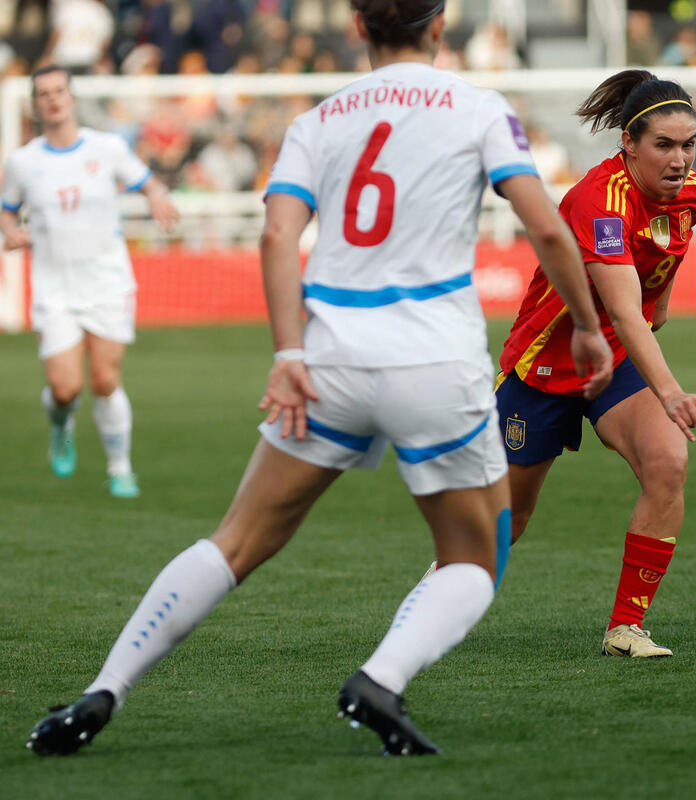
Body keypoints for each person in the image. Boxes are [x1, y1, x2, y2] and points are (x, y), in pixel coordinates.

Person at [26, 0, 612, 758]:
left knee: (235, 541)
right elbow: (544, 226)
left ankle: (104, 689)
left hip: (330, 357)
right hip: (433, 361)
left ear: (360, 29)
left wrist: (289, 355)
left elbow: (277, 232)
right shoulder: (478, 108)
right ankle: (380, 678)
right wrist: (590, 329)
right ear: (439, 28)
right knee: (476, 554)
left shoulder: (320, 118)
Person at [493, 69, 696, 657]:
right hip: (545, 367)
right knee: (506, 520)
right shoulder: (598, 198)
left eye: (688, 144)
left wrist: (654, 342)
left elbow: (653, 300)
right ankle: (444, 587)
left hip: (615, 360)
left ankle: (625, 627)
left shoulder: (693, 195)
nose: (679, 158)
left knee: (668, 461)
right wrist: (670, 391)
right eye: (664, 145)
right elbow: (623, 309)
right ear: (629, 146)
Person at [1, 64, 179, 498]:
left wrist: (158, 198)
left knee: (104, 380)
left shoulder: (108, 148)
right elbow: (6, 208)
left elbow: (148, 183)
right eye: (44, 93)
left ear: (72, 96)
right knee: (65, 388)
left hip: (107, 281)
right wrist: (10, 232)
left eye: (59, 90)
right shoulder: (23, 161)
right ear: (35, 104)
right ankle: (60, 426)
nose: (53, 99)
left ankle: (120, 468)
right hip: (54, 287)